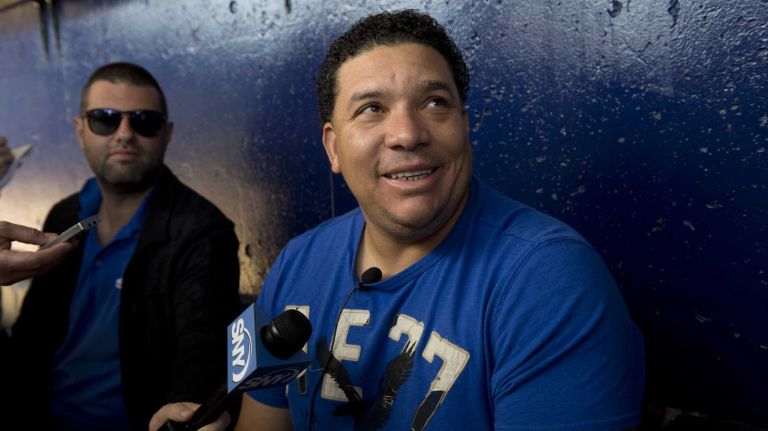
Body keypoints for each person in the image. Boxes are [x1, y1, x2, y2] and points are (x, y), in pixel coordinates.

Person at [152, 10, 644, 431]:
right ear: (333, 147)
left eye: (435, 103)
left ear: (464, 125)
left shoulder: (550, 280)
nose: (407, 133)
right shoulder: (296, 262)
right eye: (371, 109)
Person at [0, 62, 241, 430]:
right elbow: (30, 341)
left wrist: (187, 406)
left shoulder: (202, 232)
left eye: (144, 121)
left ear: (166, 133)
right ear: (81, 132)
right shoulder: (65, 214)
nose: (124, 134)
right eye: (105, 119)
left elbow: (204, 354)